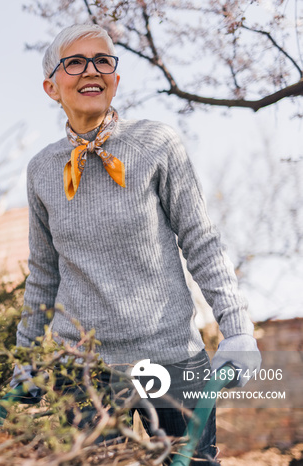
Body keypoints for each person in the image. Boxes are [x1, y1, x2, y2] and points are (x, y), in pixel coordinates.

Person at [14, 23, 261, 464]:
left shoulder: (156, 144)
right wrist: (26, 356)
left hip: (171, 358)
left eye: (102, 61)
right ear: (52, 87)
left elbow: (201, 242)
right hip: (83, 369)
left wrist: (237, 329)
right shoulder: (41, 171)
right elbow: (44, 276)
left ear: (116, 78)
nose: (91, 71)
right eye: (75, 62)